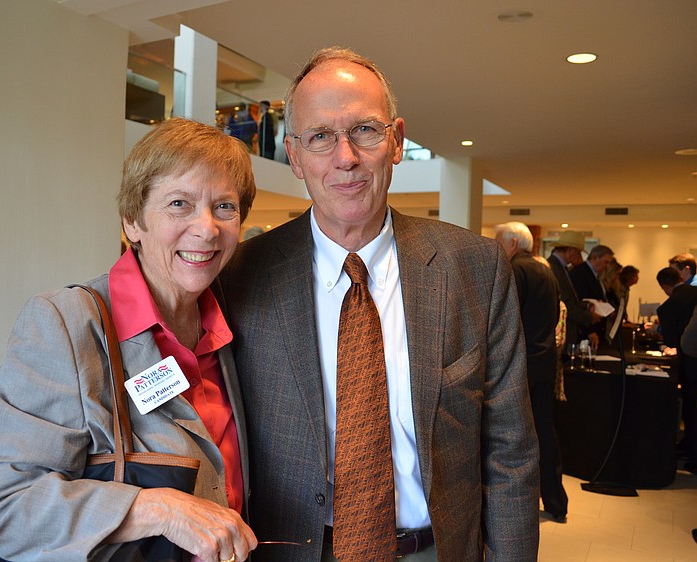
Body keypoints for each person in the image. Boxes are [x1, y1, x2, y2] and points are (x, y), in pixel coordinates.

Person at [220, 47, 539, 562]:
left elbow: (511, 451)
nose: (345, 157)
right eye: (320, 136)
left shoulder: (475, 268)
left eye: (365, 130)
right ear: (294, 156)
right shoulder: (240, 277)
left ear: (396, 141)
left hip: (435, 550)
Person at [0, 118, 258, 562]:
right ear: (132, 221)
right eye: (179, 204)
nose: (207, 228)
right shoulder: (66, 323)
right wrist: (159, 509)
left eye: (224, 207)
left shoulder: (236, 324)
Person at [495, 222, 567, 523]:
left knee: (514, 438)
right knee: (545, 432)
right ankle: (556, 500)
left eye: (498, 241)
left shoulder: (514, 270)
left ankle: (515, 505)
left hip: (520, 366)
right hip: (544, 362)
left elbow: (505, 321)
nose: (496, 246)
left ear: (512, 243)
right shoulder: (546, 271)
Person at [656, 266, 697, 469]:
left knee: (692, 406)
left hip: (690, 360)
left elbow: (680, 339)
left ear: (664, 286)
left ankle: (692, 450)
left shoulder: (668, 305)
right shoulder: (694, 292)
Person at [547, 231, 599, 349]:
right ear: (571, 251)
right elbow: (564, 303)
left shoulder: (560, 267)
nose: (580, 256)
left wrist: (586, 306)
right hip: (560, 333)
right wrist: (588, 316)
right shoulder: (554, 268)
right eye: (578, 252)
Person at [569, 244, 615, 344]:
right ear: (595, 257)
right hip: (584, 330)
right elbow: (579, 303)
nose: (607, 266)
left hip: (594, 327)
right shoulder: (580, 273)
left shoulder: (595, 275)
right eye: (605, 262)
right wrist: (589, 331)